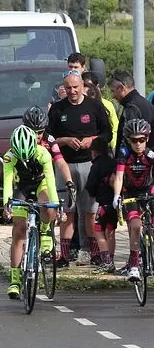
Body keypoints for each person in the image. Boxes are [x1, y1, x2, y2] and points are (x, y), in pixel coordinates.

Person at [47, 70, 112, 266]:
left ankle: (94, 254)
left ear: (83, 87)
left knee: (90, 211)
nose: (72, 91)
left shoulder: (95, 106)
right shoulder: (57, 109)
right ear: (63, 88)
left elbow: (107, 133)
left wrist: (91, 141)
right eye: (68, 88)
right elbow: (48, 138)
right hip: (64, 164)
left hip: (89, 164)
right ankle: (64, 255)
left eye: (76, 87)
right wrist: (65, 141)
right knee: (68, 212)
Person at [1, 126, 59, 299]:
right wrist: (7, 205)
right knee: (19, 230)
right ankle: (15, 280)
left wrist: (55, 205)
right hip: (22, 188)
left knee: (47, 206)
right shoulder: (9, 157)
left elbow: (51, 182)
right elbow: (7, 184)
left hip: (40, 185)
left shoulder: (43, 154)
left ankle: (45, 232)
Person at [111, 118, 154, 281]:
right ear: (128, 140)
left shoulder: (150, 154)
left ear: (147, 138)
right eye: (134, 140)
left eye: (142, 140)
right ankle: (134, 265)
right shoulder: (124, 153)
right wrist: (116, 195)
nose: (138, 144)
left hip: (148, 191)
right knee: (136, 227)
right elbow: (119, 176)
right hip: (130, 194)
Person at [85, 137, 117, 273]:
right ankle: (111, 259)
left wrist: (92, 193)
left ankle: (106, 261)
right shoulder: (113, 162)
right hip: (114, 204)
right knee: (110, 231)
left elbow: (90, 185)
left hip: (103, 204)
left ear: (94, 152)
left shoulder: (96, 165)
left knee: (98, 231)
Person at [110, 69, 154, 150]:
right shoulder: (143, 102)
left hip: (138, 161)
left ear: (121, 88)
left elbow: (130, 142)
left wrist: (121, 160)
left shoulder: (131, 108)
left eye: (113, 91)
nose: (113, 96)